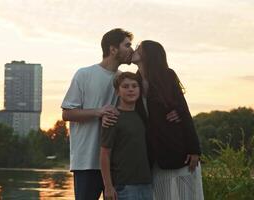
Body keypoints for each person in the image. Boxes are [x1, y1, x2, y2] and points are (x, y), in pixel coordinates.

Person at [61, 28, 134, 200]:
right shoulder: (84, 74)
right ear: (113, 49)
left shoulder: (125, 80)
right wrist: (99, 112)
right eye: (127, 45)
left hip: (115, 163)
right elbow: (67, 114)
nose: (131, 50)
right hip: (86, 162)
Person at [132, 40, 204, 200]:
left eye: (139, 48)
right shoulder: (133, 82)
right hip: (153, 156)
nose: (134, 50)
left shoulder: (167, 76)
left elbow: (184, 111)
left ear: (148, 55)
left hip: (179, 151)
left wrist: (194, 150)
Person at [100, 72, 153, 200]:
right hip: (123, 186)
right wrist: (108, 186)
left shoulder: (142, 116)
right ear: (117, 92)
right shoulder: (112, 117)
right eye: (125, 86)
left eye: (134, 86)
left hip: (146, 184)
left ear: (139, 90)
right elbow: (104, 154)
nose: (131, 89)